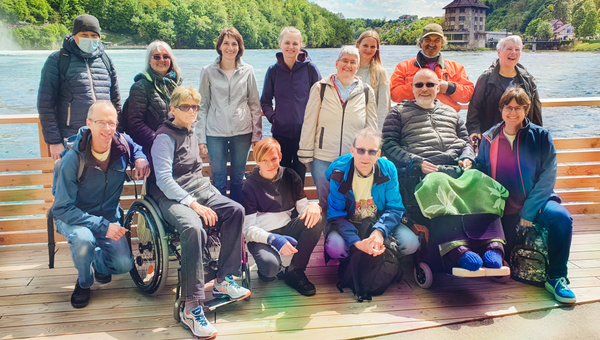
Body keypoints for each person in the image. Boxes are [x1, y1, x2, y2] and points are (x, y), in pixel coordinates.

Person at [150, 86, 250, 338]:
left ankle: (223, 280)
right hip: (170, 197)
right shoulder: (164, 137)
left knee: (235, 210)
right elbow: (163, 180)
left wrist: (213, 195)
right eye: (186, 106)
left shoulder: (191, 131)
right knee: (192, 227)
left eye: (195, 106)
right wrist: (193, 204)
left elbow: (196, 174)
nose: (192, 111)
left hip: (199, 190)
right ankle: (192, 306)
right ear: (173, 109)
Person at [476, 87, 575, 304]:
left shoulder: (541, 137)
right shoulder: (489, 138)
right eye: (508, 107)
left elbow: (548, 176)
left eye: (518, 108)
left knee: (561, 218)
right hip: (503, 209)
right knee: (503, 272)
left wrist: (529, 211)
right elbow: (481, 173)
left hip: (537, 203)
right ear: (501, 109)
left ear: (526, 109)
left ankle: (557, 278)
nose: (512, 113)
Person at [52, 100, 150, 309]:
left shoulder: (122, 144)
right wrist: (103, 227)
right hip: (73, 218)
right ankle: (84, 282)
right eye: (100, 122)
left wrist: (140, 158)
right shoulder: (72, 159)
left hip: (107, 216)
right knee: (83, 239)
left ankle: (98, 261)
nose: (107, 129)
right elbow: (61, 208)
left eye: (112, 123)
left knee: (124, 264)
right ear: (89, 123)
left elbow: (137, 148)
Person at [298, 45, 378, 213]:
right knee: (326, 200)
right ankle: (329, 236)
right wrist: (305, 153)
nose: (348, 66)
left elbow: (371, 127)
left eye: (353, 62)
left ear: (358, 67)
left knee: (352, 200)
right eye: (345, 61)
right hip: (323, 157)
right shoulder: (321, 88)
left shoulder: (366, 91)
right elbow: (309, 122)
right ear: (337, 63)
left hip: (353, 158)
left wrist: (372, 154)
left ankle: (349, 237)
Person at [241, 138, 323, 296]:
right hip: (262, 236)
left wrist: (314, 206)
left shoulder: (290, 176)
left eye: (273, 159)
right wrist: (272, 239)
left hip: (287, 228)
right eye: (264, 160)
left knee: (317, 219)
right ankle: (267, 271)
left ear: (280, 156)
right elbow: (248, 229)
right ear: (257, 161)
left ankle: (295, 270)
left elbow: (303, 208)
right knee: (270, 268)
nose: (270, 165)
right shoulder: (249, 186)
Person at [382, 68, 475, 206]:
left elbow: (466, 142)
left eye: (430, 84)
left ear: (438, 88)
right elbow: (388, 144)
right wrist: (416, 162)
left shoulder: (451, 112)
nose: (424, 89)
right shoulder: (398, 113)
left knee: (485, 182)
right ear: (412, 88)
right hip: (423, 172)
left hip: (454, 167)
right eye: (419, 85)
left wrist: (467, 157)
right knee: (438, 184)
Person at [324, 128, 419, 260]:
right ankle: (354, 261)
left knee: (410, 244)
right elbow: (337, 215)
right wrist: (357, 242)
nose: (365, 157)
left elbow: (395, 207)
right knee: (335, 247)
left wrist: (379, 231)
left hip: (379, 220)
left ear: (378, 154)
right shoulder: (339, 174)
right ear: (352, 151)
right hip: (349, 223)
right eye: (360, 150)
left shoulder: (388, 169)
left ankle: (382, 257)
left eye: (372, 152)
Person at [38, 14, 121, 160]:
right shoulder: (58, 60)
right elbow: (45, 104)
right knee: (71, 180)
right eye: (84, 34)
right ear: (74, 35)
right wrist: (54, 141)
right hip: (71, 137)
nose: (89, 38)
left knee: (103, 181)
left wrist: (118, 133)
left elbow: (116, 101)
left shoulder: (105, 61)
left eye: (94, 35)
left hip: (104, 137)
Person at [197, 27, 262, 204]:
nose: (230, 48)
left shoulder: (248, 71)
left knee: (238, 179)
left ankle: (238, 220)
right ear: (219, 46)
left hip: (242, 133)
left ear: (239, 47)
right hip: (214, 133)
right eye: (226, 43)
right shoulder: (208, 71)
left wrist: (257, 134)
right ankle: (220, 220)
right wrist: (201, 138)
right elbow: (202, 106)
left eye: (234, 44)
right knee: (218, 180)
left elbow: (255, 105)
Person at [261, 27, 322, 184]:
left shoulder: (310, 69)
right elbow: (265, 101)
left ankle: (298, 207)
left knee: (299, 175)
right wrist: (274, 118)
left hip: (305, 133)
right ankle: (283, 207)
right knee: (281, 173)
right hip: (281, 133)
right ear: (280, 44)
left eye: (295, 43)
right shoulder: (273, 71)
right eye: (287, 42)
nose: (291, 47)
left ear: (301, 45)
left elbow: (322, 98)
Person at [466, 35, 543, 143]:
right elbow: (474, 109)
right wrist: (474, 130)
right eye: (509, 49)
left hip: (523, 139)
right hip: (493, 139)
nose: (513, 53)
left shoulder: (527, 79)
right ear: (499, 52)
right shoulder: (486, 78)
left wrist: (539, 135)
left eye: (517, 49)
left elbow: (535, 110)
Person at [389, 23, 473, 113]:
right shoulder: (403, 67)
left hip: (446, 119)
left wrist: (450, 88)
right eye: (427, 40)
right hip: (412, 119)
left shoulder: (457, 68)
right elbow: (394, 94)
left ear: (442, 44)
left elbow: (468, 95)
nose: (432, 44)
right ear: (421, 43)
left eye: (437, 40)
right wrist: (420, 86)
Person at [125, 40, 182, 157]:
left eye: (166, 56)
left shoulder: (176, 86)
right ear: (149, 60)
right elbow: (135, 123)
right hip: (150, 148)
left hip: (175, 146)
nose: (161, 60)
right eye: (156, 57)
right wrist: (158, 141)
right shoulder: (140, 87)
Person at [356, 30, 390, 131]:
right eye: (365, 45)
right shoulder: (348, 69)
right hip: (349, 128)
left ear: (377, 49)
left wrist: (378, 135)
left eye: (372, 47)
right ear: (358, 45)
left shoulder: (381, 73)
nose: (368, 49)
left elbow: (383, 108)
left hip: (369, 129)